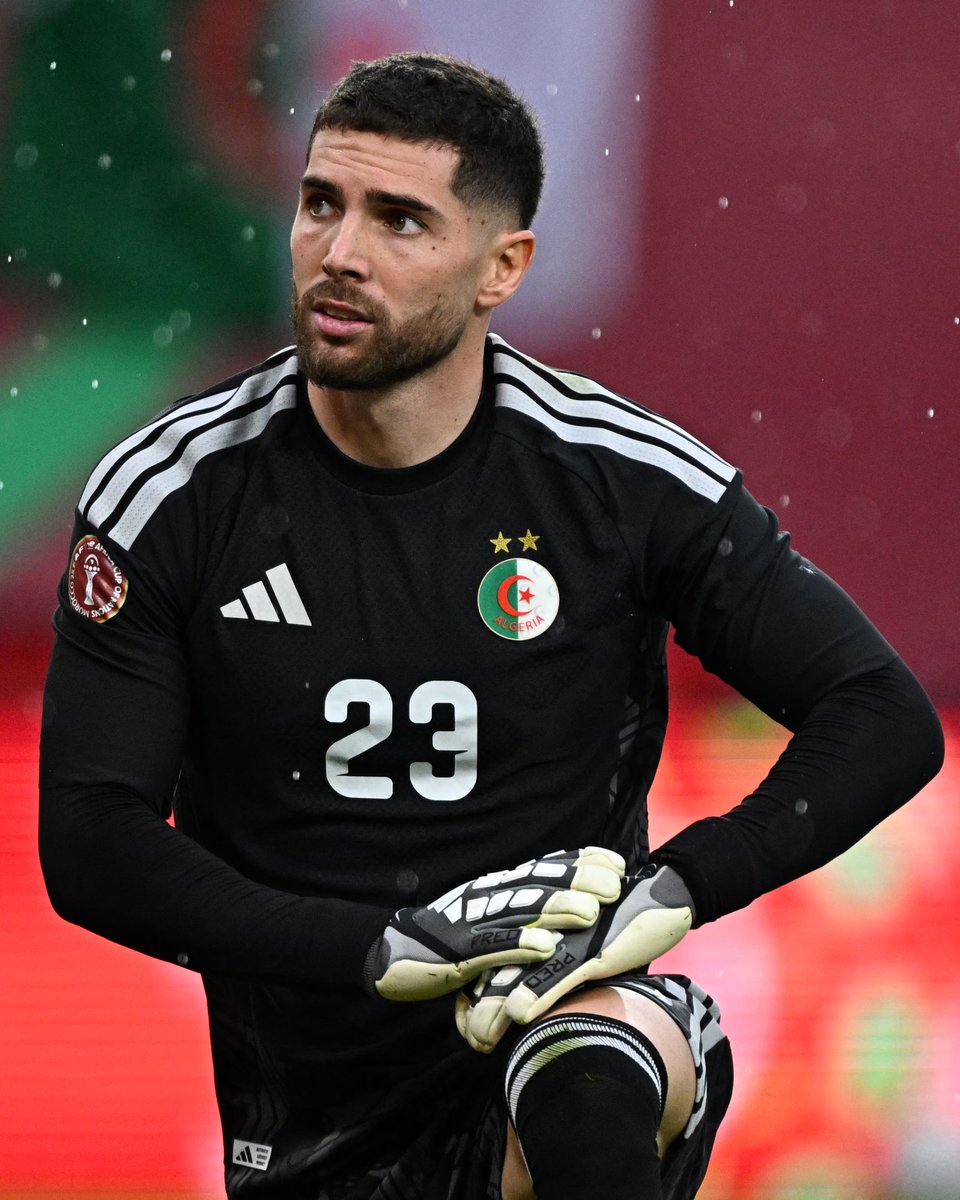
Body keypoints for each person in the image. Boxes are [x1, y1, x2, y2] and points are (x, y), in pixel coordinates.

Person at [39, 51, 943, 1200]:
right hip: (313, 1101)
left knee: (592, 1079)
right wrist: (383, 948)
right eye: (320, 203)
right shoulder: (171, 493)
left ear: (500, 268)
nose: (340, 252)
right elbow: (91, 838)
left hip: (558, 1014)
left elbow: (881, 715)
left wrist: (672, 889)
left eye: (400, 220)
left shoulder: (620, 478)